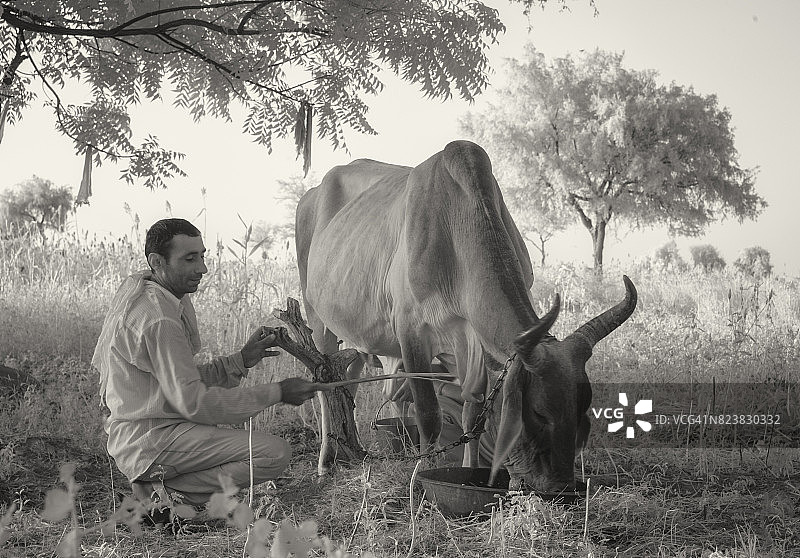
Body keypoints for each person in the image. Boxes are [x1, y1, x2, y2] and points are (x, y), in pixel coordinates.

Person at [92, 218, 320, 512]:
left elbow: (182, 381)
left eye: (202, 256)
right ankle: (165, 497)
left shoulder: (158, 295)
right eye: (189, 259)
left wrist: (242, 359)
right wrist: (278, 392)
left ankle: (162, 487)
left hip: (152, 431)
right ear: (157, 261)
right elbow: (196, 404)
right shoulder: (159, 318)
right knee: (273, 454)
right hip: (150, 439)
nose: (202, 268)